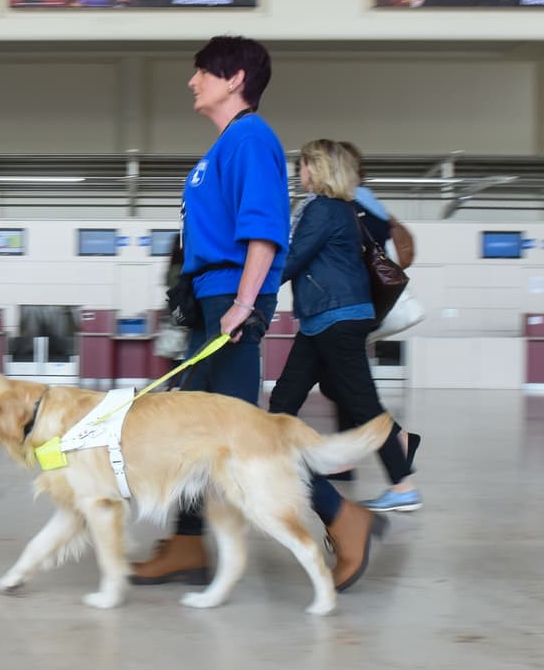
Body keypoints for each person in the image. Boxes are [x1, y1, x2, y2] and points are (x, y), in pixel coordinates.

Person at [129, 38, 384, 592]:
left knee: (245, 434)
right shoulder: (227, 144)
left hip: (230, 303)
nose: (192, 82)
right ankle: (189, 543)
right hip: (211, 299)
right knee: (197, 428)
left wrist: (243, 305)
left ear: (234, 78)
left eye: (201, 72)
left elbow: (265, 231)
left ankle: (342, 515)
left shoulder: (250, 139)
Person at [268, 140, 422, 520]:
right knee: (284, 399)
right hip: (323, 319)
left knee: (364, 406)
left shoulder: (323, 209)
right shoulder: (331, 209)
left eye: (302, 166)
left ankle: (403, 485)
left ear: (316, 169)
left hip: (337, 318)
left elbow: (291, 259)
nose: (297, 173)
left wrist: (247, 288)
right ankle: (273, 469)